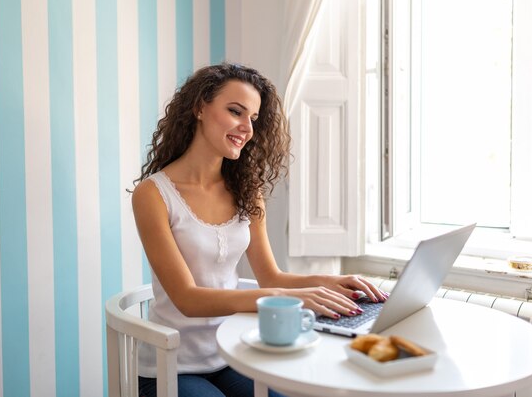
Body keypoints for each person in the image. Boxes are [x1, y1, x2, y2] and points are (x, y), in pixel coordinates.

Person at [131, 63, 387, 397]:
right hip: (172, 367)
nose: (246, 127)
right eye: (235, 111)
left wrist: (331, 282)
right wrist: (284, 298)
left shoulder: (246, 191)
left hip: (232, 355)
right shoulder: (153, 194)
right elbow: (188, 299)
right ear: (199, 107)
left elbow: (271, 277)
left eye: (252, 118)